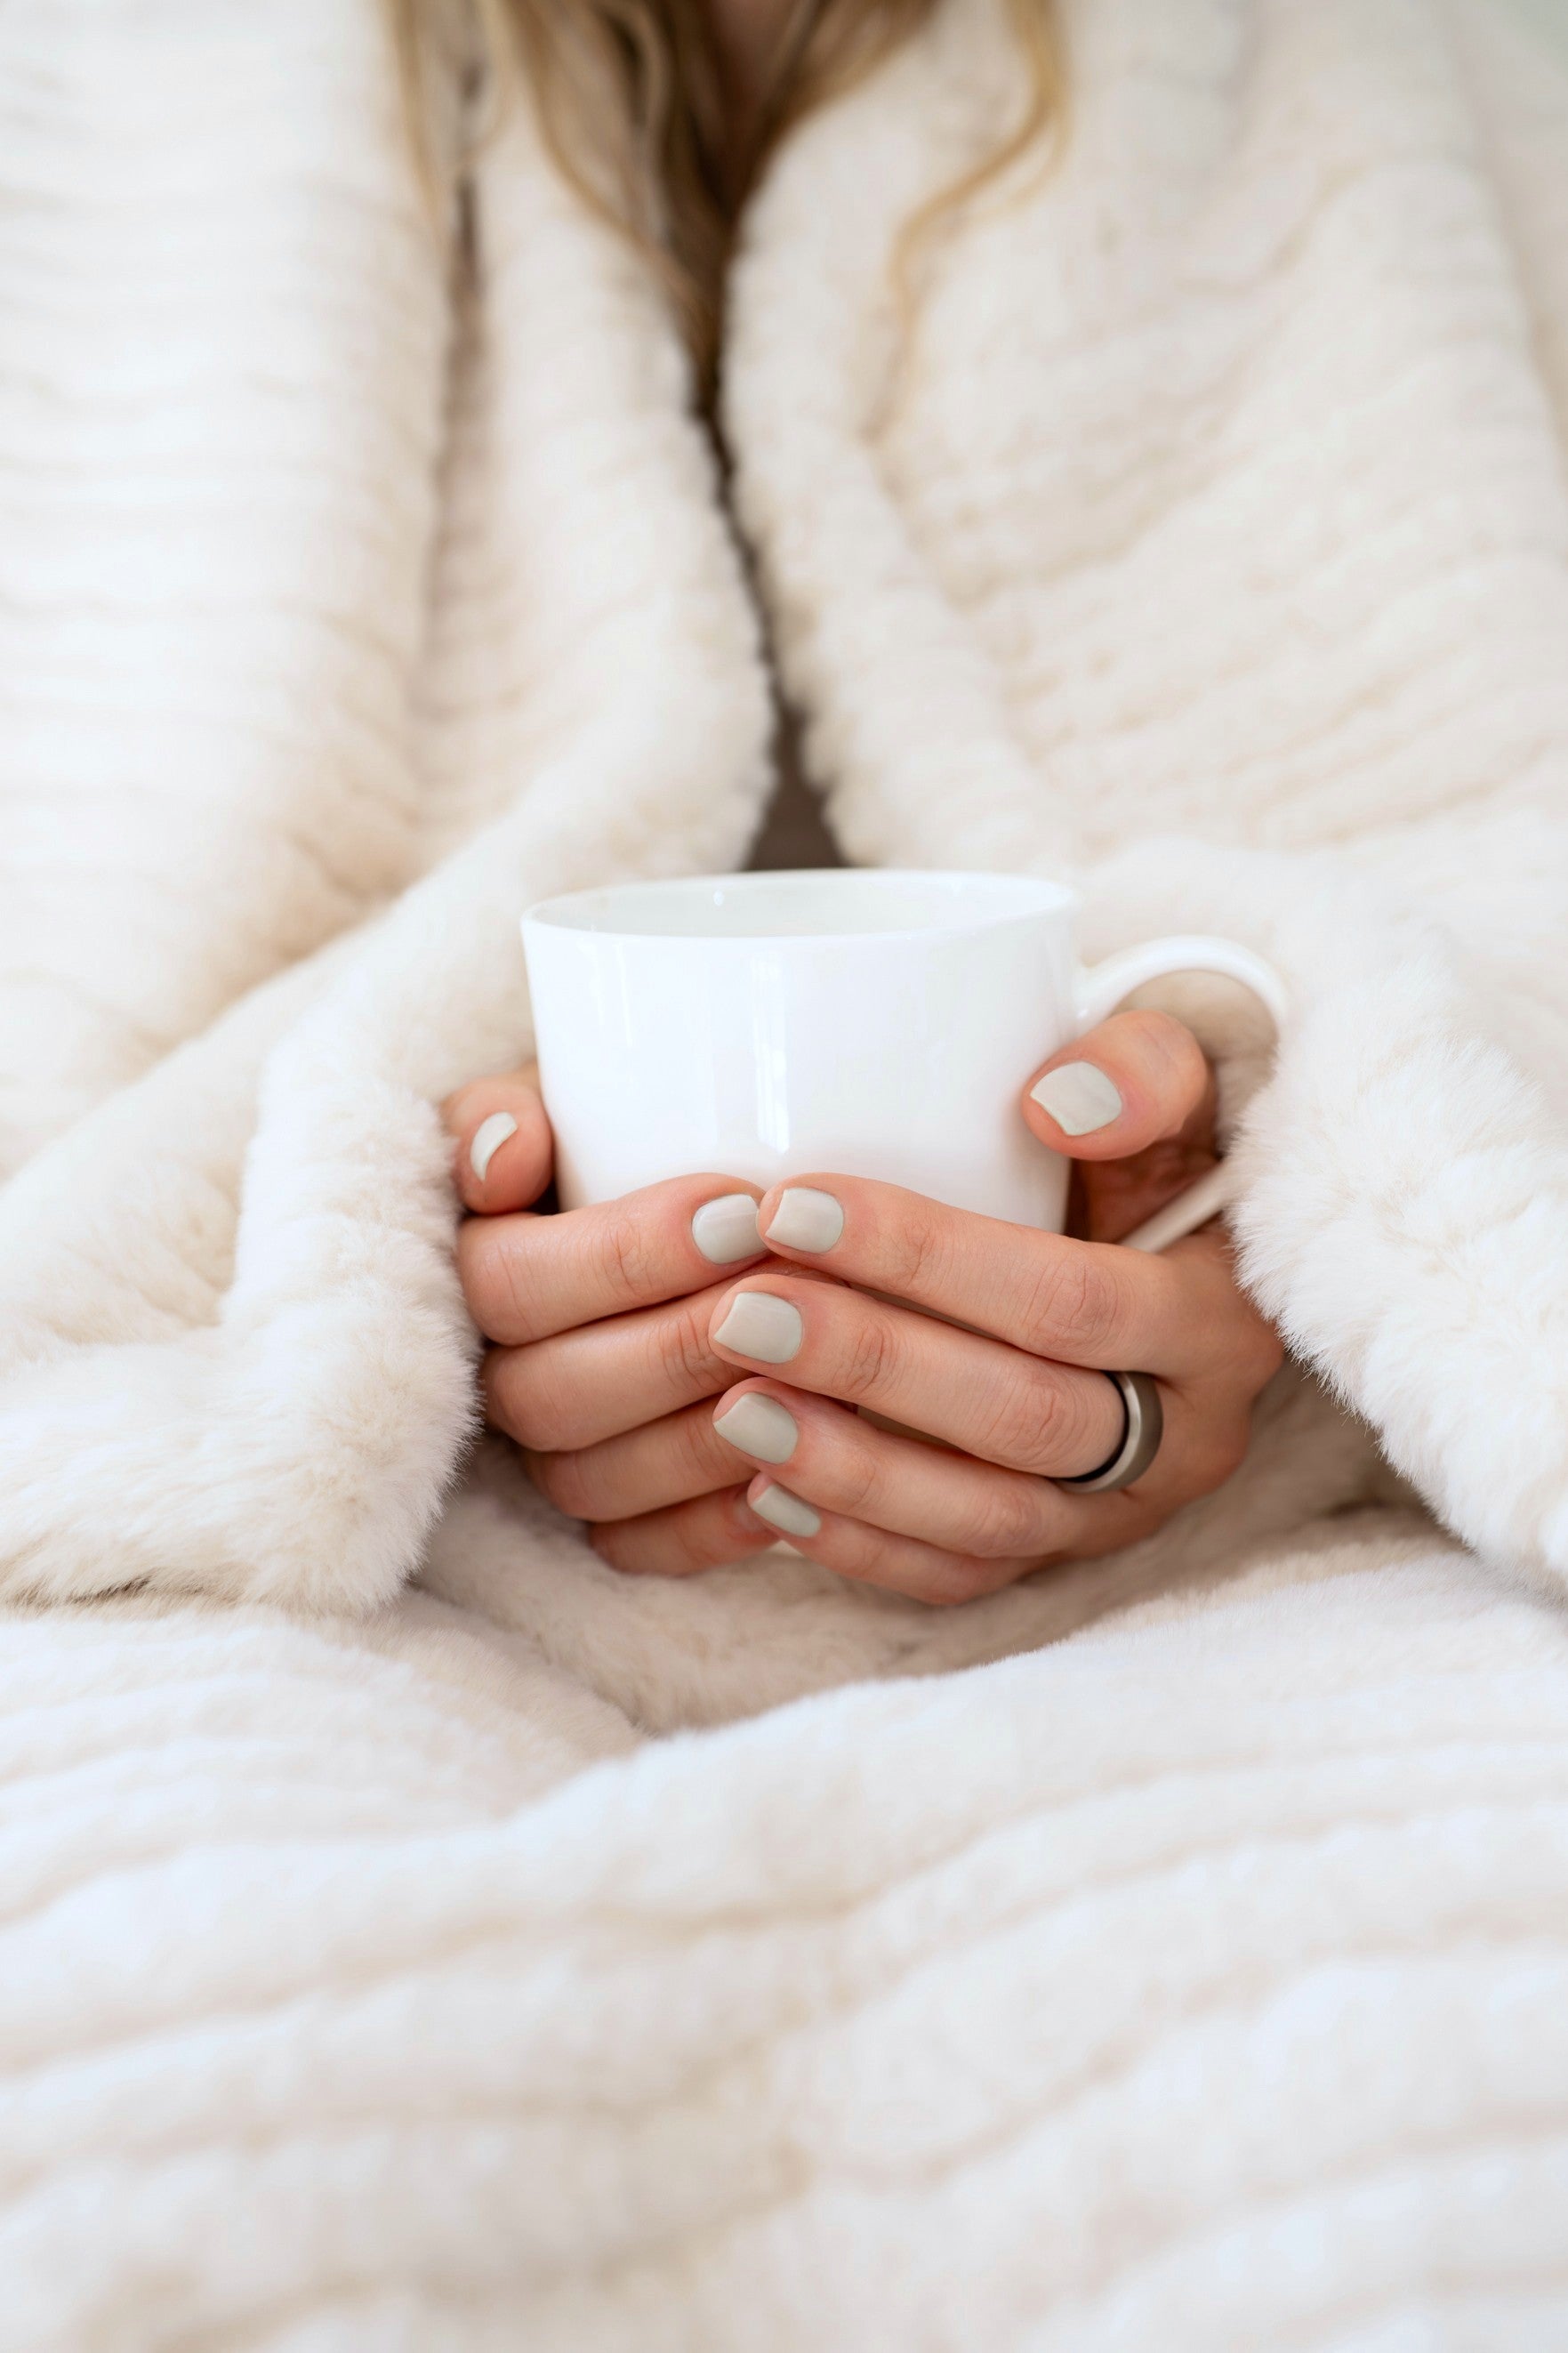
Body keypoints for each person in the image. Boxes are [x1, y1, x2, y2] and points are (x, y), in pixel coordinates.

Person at [436, 0, 1283, 1600]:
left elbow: (1487, 867)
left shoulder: (1308, 93)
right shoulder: (176, 114)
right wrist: (391, 1262)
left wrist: (1270, 1246)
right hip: (495, 1582)